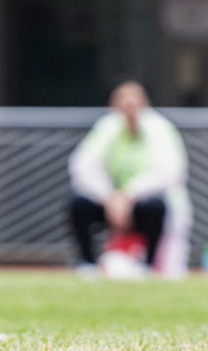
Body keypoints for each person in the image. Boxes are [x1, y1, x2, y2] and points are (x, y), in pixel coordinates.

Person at [67, 80, 190, 278]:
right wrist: (109, 197)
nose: (129, 106)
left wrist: (129, 194)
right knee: (78, 204)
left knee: (155, 207)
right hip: (113, 203)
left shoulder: (160, 129)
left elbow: (171, 171)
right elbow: (82, 165)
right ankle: (88, 265)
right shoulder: (107, 127)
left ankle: (149, 267)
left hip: (146, 203)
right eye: (123, 101)